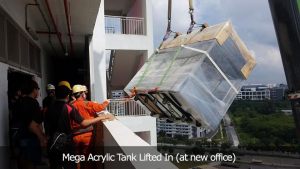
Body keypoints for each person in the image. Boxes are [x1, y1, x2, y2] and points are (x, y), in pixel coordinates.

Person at [44, 81, 113, 169]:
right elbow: (89, 118)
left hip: (56, 141)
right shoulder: (77, 106)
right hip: (75, 139)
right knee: (86, 159)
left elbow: (46, 126)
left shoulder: (49, 109)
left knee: (65, 162)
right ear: (67, 95)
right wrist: (104, 110)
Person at [71, 84, 114, 169]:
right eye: (84, 93)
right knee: (87, 158)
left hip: (75, 136)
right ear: (82, 94)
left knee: (77, 159)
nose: (85, 95)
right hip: (87, 136)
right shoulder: (87, 103)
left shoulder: (71, 105)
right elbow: (100, 107)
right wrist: (107, 101)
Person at [16, 79, 47, 169]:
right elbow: (33, 126)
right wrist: (42, 138)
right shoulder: (33, 103)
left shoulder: (19, 102)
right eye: (37, 88)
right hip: (31, 140)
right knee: (30, 164)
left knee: (22, 163)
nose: (38, 91)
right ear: (34, 90)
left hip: (19, 138)